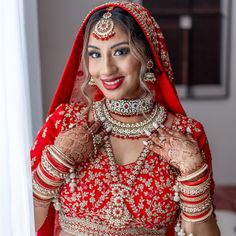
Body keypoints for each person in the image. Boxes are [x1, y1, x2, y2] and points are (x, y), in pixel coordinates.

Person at [31, 1, 220, 235]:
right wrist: (52, 170)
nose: (107, 69)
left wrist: (193, 175)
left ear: (147, 55)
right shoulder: (64, 123)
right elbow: (21, 220)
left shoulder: (186, 134)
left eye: (120, 51)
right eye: (95, 54)